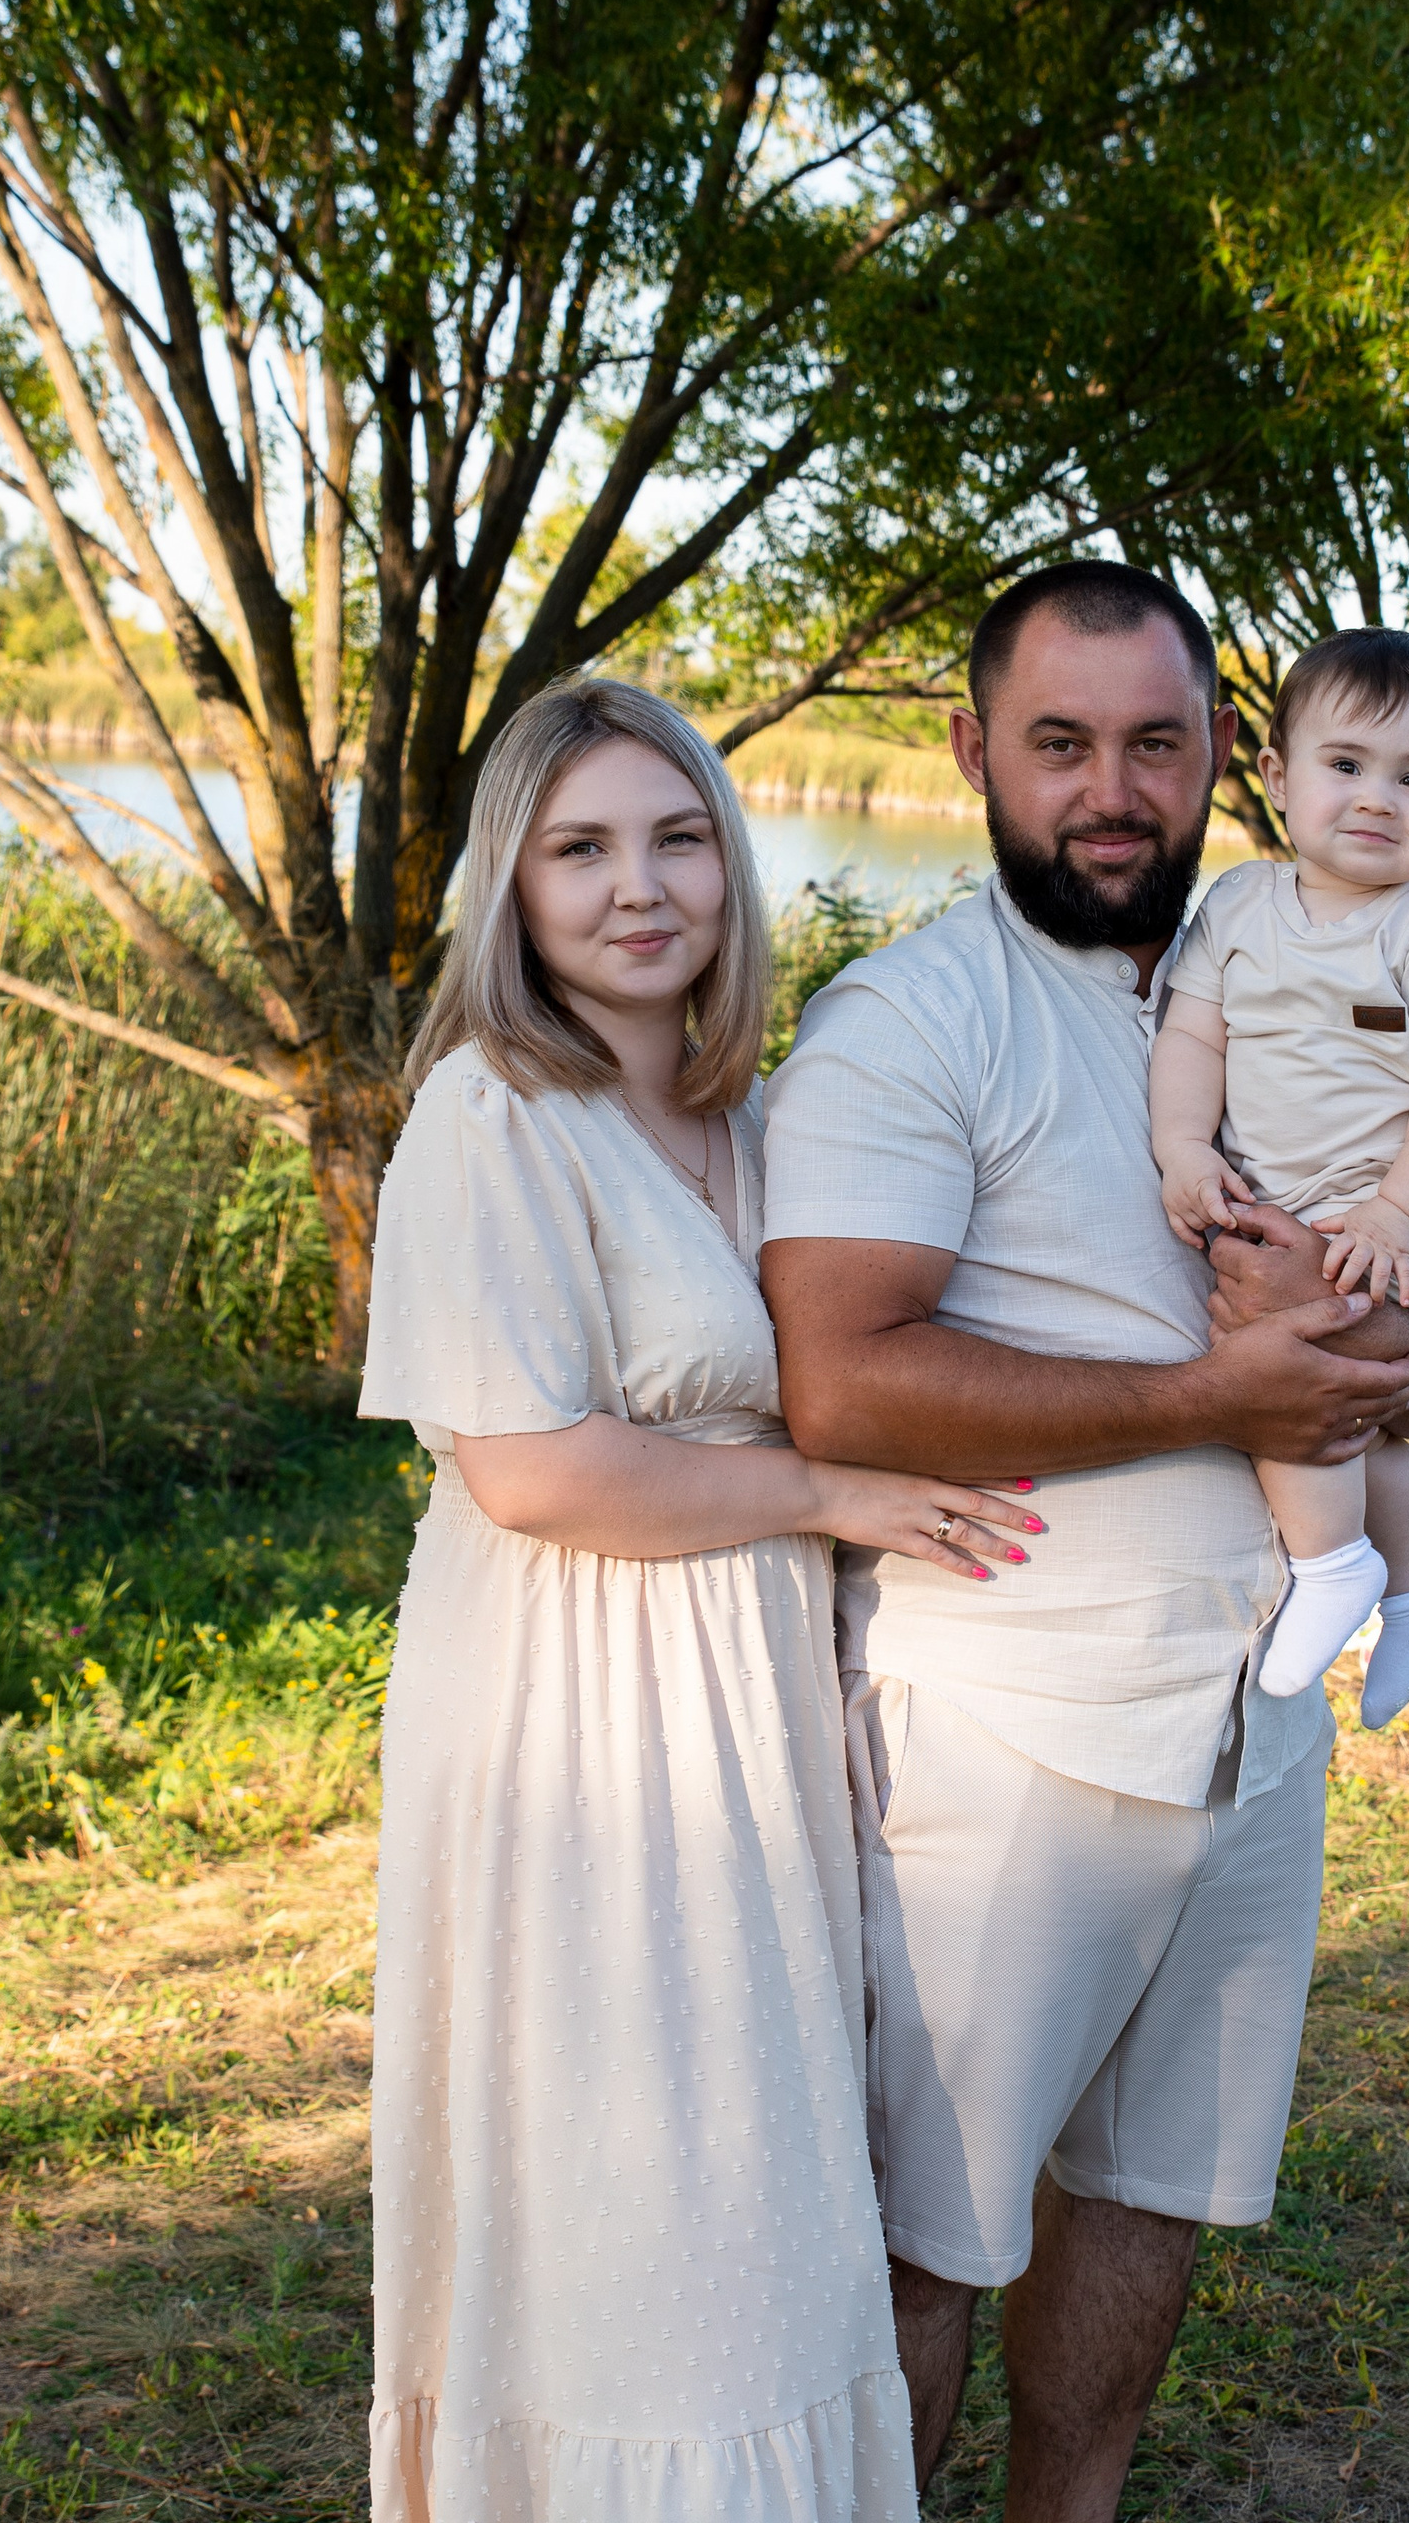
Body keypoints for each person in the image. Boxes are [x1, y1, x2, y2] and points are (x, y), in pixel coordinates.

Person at [759, 564, 1409, 2523]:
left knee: (1149, 2200)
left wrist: (1369, 1348)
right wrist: (1217, 1397)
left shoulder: (1318, 973)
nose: (1114, 790)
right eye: (1061, 742)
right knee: (928, 2238)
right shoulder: (907, 1022)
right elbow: (841, 1382)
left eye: (1157, 743)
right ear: (972, 751)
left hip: (1257, 1725)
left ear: (1223, 755)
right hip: (1007, 1732)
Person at [359, 678, 1041, 2523]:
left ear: (730, 867)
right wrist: (830, 1495)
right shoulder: (494, 1115)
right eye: (579, 850)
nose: (637, 889)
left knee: (757, 2149)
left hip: (745, 1679)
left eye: (677, 841)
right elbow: (537, 1469)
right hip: (571, 1702)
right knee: (628, 2164)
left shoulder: (757, 1114)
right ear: (513, 887)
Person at [1150, 625, 1409, 1731]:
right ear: (1276, 777)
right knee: (1359, 1414)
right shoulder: (1237, 908)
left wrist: (1397, 1212)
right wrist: (1184, 1147)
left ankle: (1332, 1563)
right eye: (1346, 764)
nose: (1374, 799)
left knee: (1280, 1353)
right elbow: (1194, 1036)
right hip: (1301, 1210)